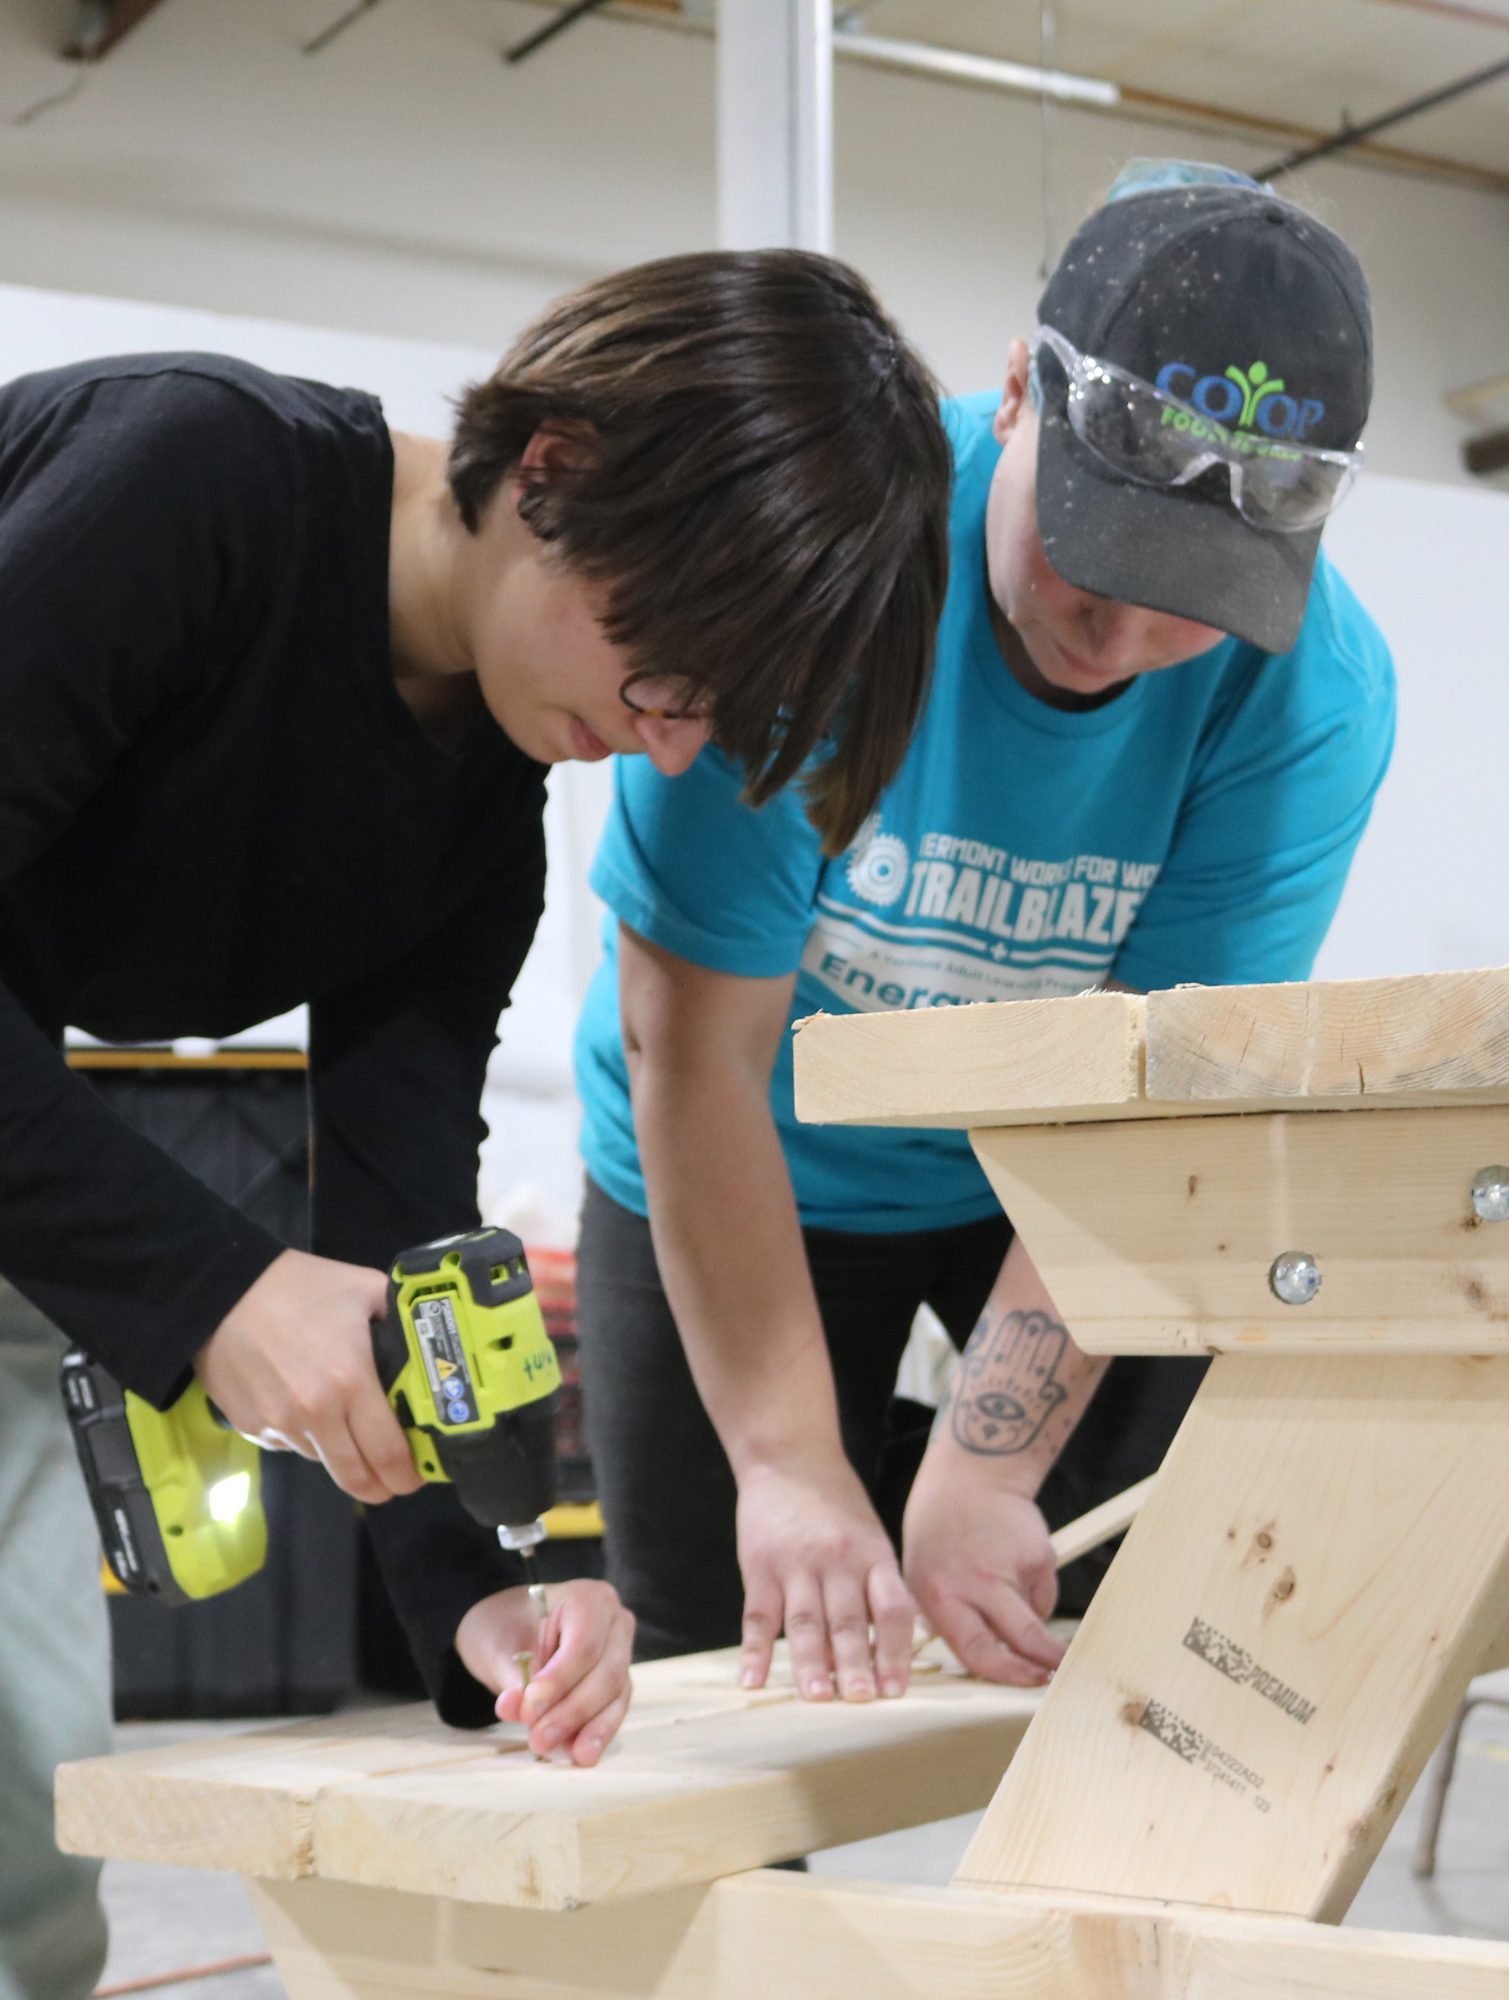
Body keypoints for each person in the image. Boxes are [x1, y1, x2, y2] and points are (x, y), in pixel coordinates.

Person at [0, 249, 951, 1997]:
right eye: (662, 668)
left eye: (714, 717)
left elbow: (396, 1216)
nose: (660, 743)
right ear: (552, 471)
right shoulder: (198, 481)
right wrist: (216, 1294)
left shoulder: (485, 799)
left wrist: (466, 1590)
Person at [572, 164, 1396, 1705]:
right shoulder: (822, 569)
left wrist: (982, 1468)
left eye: (1192, 602)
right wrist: (792, 1466)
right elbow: (694, 1049)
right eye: (1101, 560)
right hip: (737, 1145)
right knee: (715, 1662)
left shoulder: (1313, 698)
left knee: (1154, 1630)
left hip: (1051, 1165)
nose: (1126, 641)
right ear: (1019, 390)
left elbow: (1156, 1095)